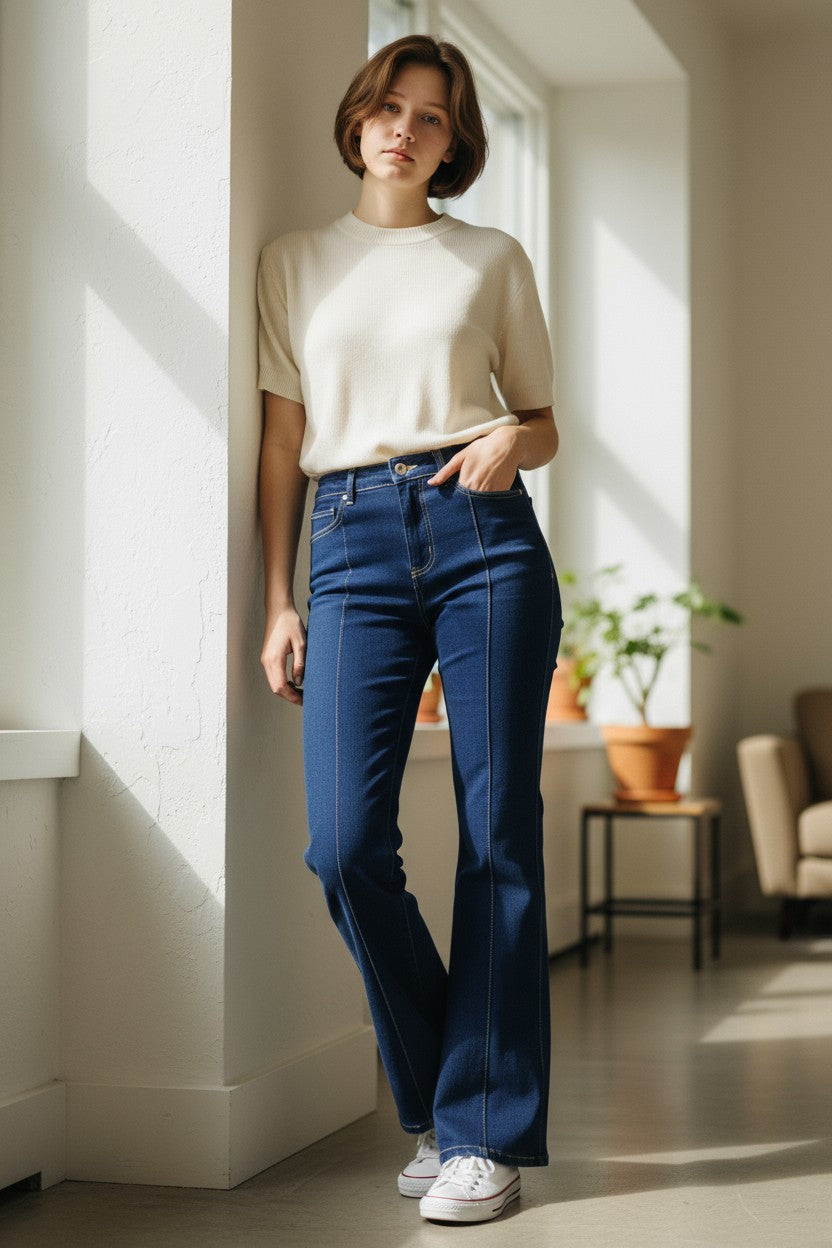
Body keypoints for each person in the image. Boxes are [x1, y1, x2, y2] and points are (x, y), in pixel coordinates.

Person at [256, 33, 562, 1226]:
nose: (404, 128)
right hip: (347, 542)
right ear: (356, 119)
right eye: (388, 106)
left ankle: (481, 1137)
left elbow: (540, 418)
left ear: (454, 144)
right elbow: (283, 440)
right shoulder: (294, 262)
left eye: (431, 117)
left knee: (498, 834)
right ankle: (448, 1093)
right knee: (341, 845)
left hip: (482, 532)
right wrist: (277, 598)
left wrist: (510, 439)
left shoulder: (490, 258)